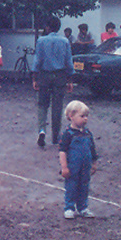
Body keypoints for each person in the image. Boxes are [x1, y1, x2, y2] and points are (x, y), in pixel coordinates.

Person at [32, 16, 74, 147]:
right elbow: (68, 62)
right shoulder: (65, 41)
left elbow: (37, 61)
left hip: (44, 75)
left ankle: (42, 130)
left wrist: (34, 78)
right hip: (60, 76)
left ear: (47, 27)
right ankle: (55, 136)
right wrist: (70, 79)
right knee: (57, 106)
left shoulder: (41, 41)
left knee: (42, 105)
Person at [59, 100, 98, 219]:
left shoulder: (88, 133)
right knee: (71, 186)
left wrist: (94, 163)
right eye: (82, 116)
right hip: (73, 167)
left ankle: (83, 207)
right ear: (71, 116)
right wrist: (64, 167)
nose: (85, 119)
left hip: (85, 166)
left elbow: (92, 149)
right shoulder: (68, 134)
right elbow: (62, 151)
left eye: (86, 116)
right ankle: (69, 207)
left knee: (84, 186)